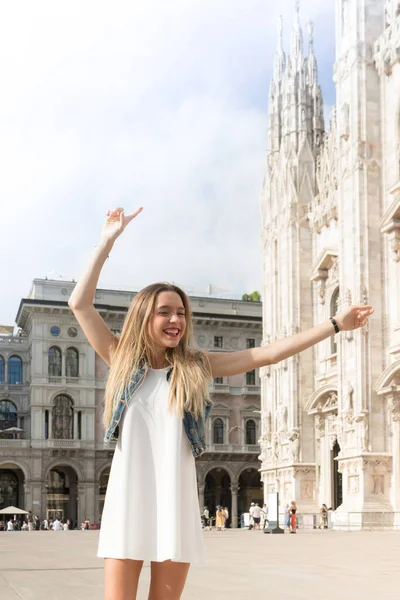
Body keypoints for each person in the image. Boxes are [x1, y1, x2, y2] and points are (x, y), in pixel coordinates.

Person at [67, 206, 373, 600]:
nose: (175, 320)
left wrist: (334, 324)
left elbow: (269, 354)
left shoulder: (196, 367)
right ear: (145, 317)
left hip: (175, 500)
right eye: (164, 312)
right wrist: (107, 242)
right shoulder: (122, 361)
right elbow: (80, 304)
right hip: (129, 497)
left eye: (180, 312)